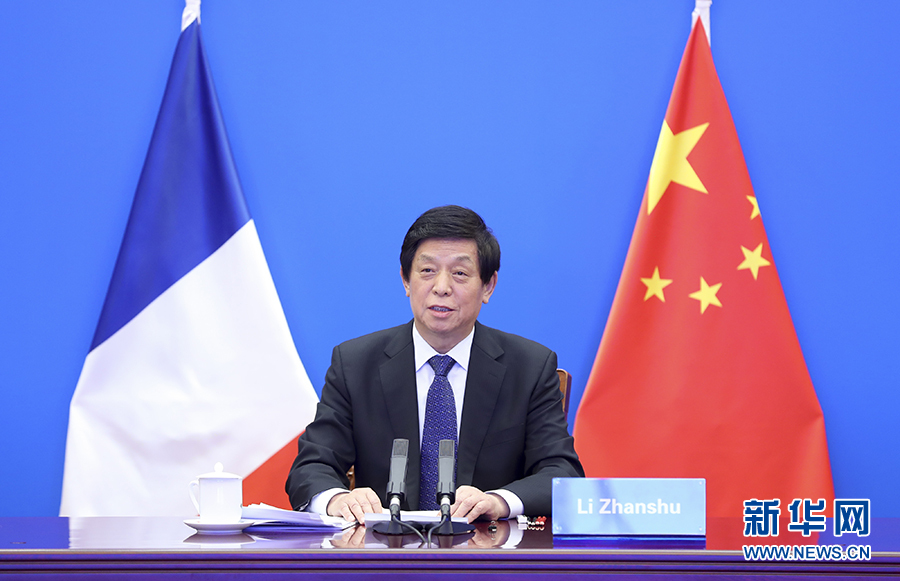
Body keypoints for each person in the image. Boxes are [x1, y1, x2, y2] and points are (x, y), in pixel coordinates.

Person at [285, 205, 583, 523]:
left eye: (460, 273)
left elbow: (561, 473)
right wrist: (338, 499)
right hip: (385, 548)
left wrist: (499, 501)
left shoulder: (529, 368)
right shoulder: (355, 364)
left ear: (488, 286)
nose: (441, 287)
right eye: (427, 271)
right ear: (406, 280)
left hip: (487, 549)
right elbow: (311, 466)